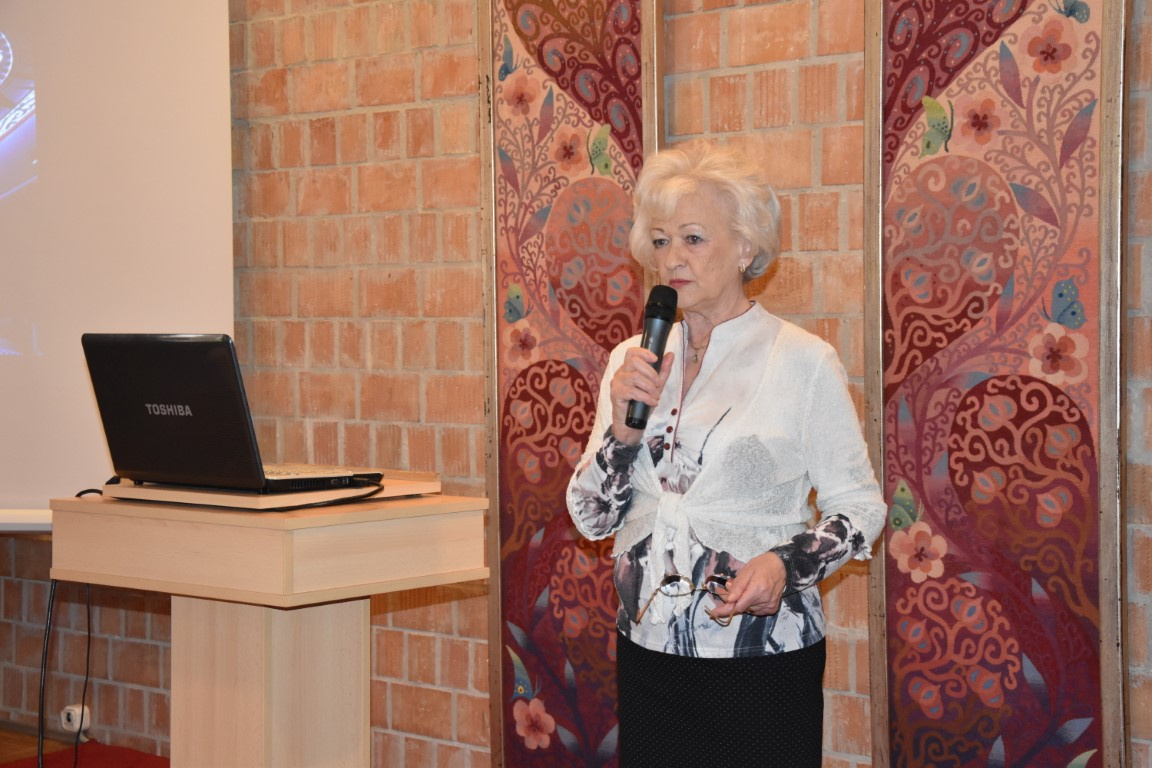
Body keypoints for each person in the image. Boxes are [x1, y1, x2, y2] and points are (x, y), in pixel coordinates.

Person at [565, 140, 886, 766]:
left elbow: (861, 508)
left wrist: (784, 566)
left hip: (760, 658)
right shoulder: (633, 360)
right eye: (661, 241)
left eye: (693, 238)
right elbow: (592, 519)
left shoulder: (801, 361)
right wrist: (622, 434)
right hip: (649, 649)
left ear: (745, 247)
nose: (672, 259)